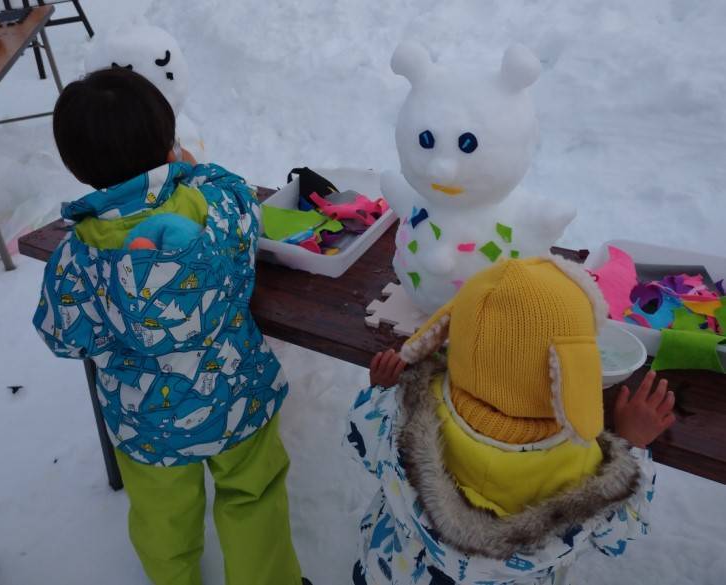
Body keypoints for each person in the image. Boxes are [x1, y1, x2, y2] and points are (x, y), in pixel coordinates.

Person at [33, 67, 309, 585]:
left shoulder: (77, 257)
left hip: (145, 422)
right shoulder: (218, 208)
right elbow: (246, 196)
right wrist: (193, 169)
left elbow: (64, 337)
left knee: (163, 520)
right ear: (169, 141)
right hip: (236, 397)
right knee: (253, 496)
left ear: (76, 165)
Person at [346, 256, 675, 585]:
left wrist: (381, 392)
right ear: (575, 367)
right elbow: (617, 537)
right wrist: (632, 446)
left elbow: (361, 440)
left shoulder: (404, 409)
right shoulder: (583, 464)